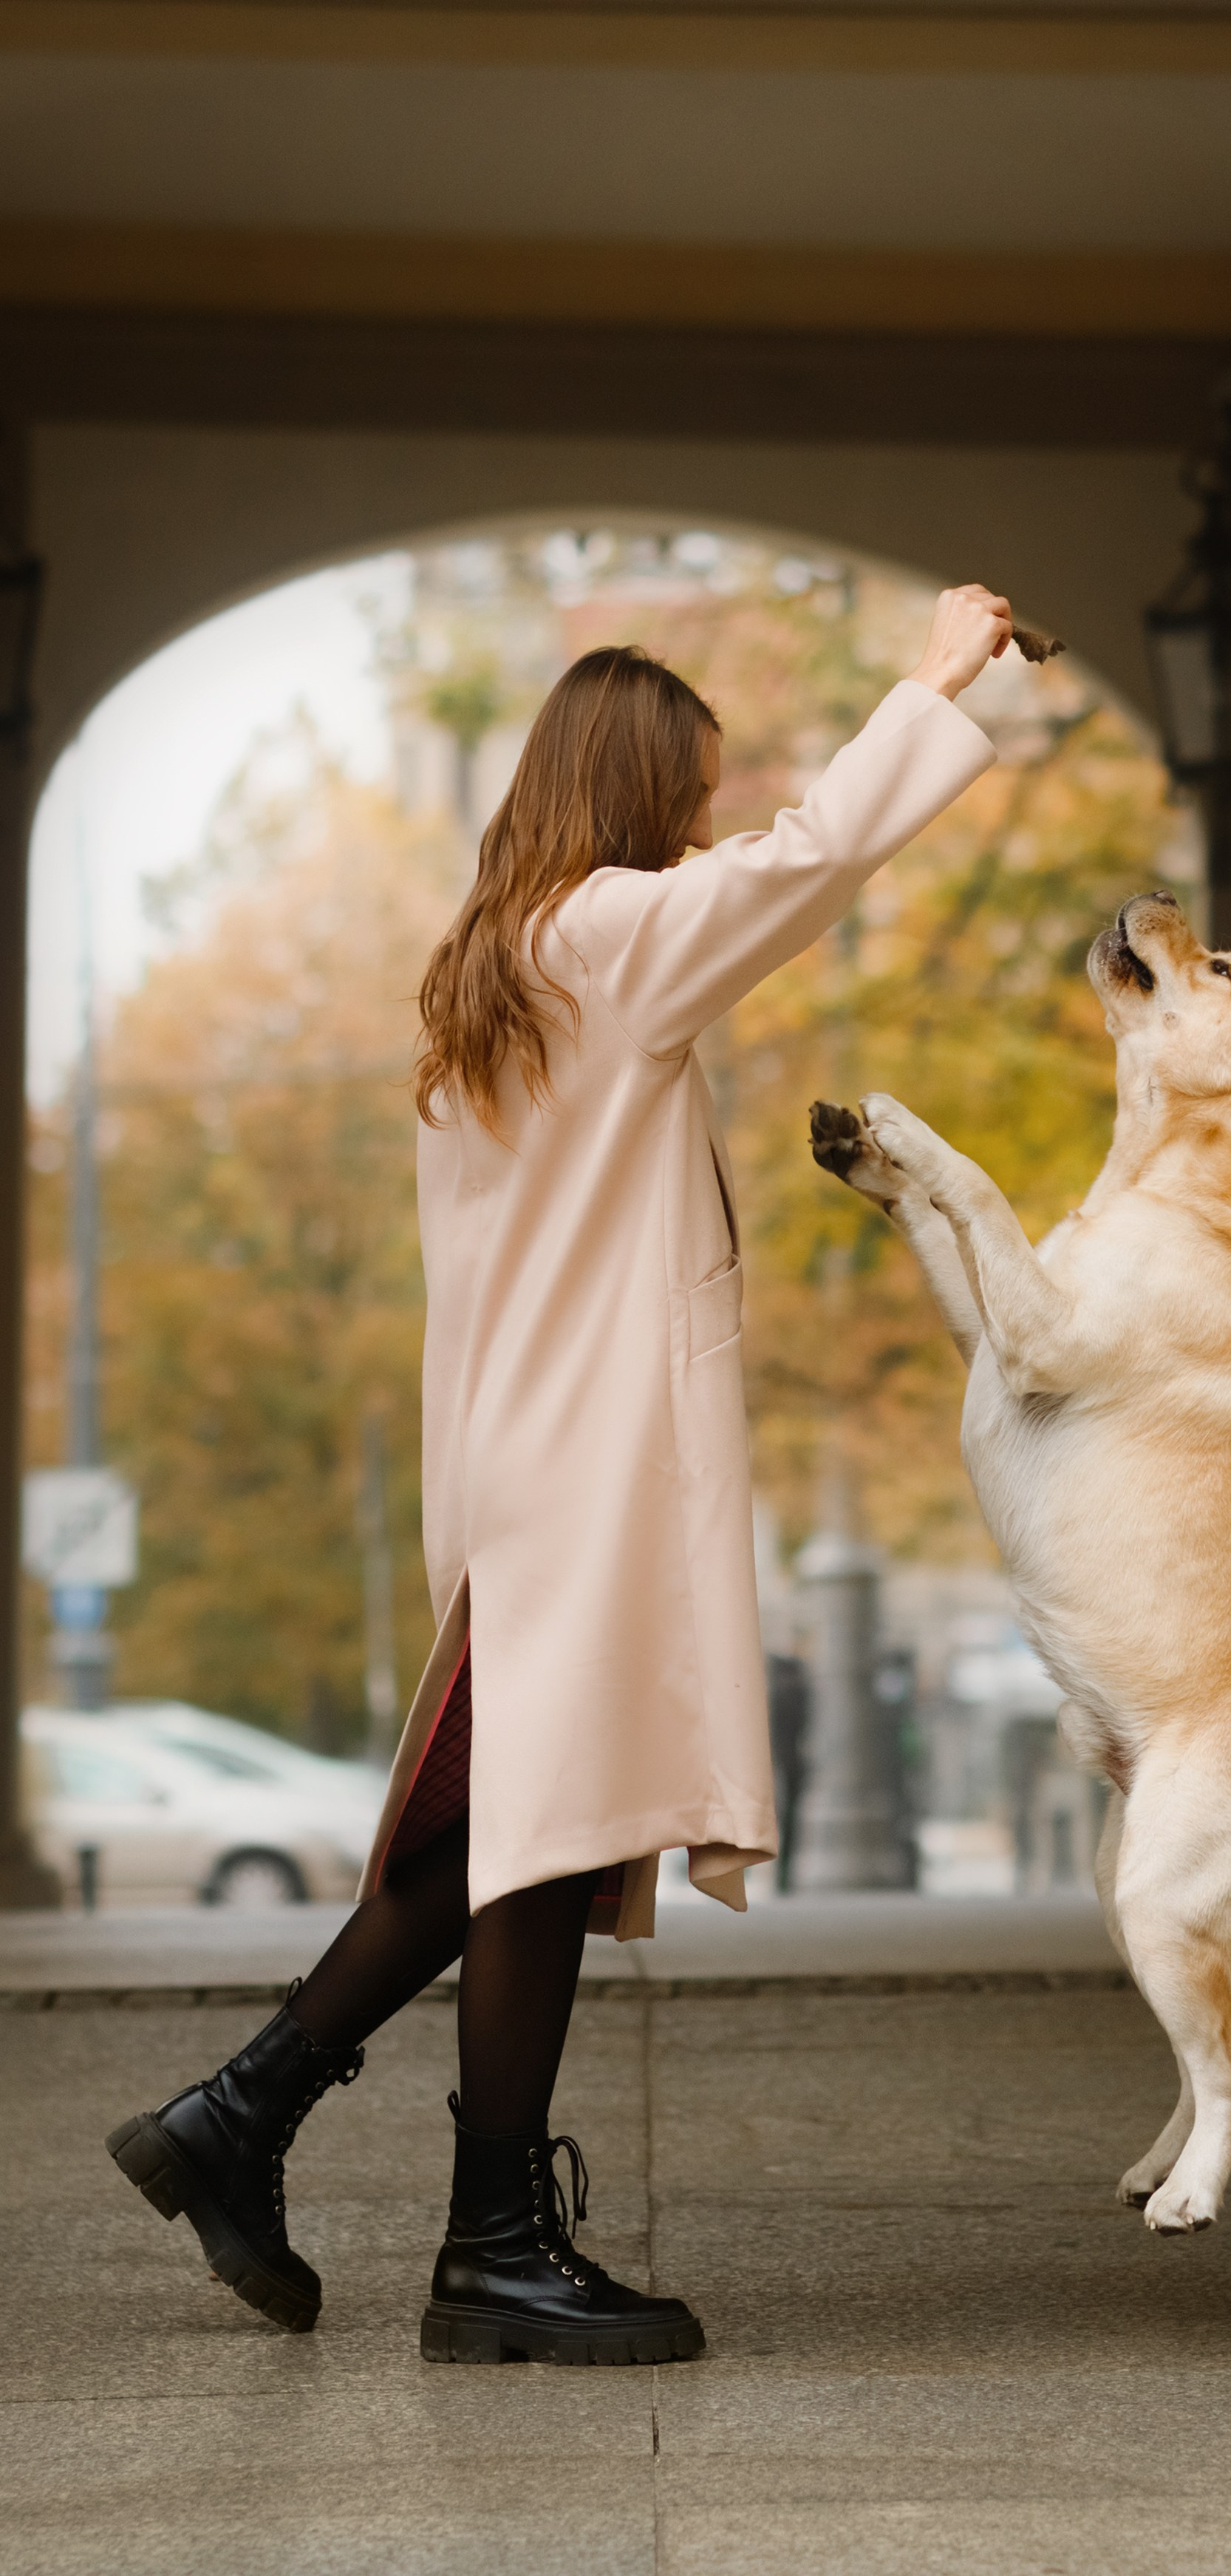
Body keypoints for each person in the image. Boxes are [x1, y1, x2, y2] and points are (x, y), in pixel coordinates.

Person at [105, 583, 1010, 2366]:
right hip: (582, 1478)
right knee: (521, 1845)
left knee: (506, 1847)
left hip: (520, 1474)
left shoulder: (493, 965)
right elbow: (807, 863)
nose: (699, 820)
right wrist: (932, 678)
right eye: (685, 789)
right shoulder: (607, 937)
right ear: (629, 789)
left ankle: (279, 2142)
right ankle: (439, 2224)